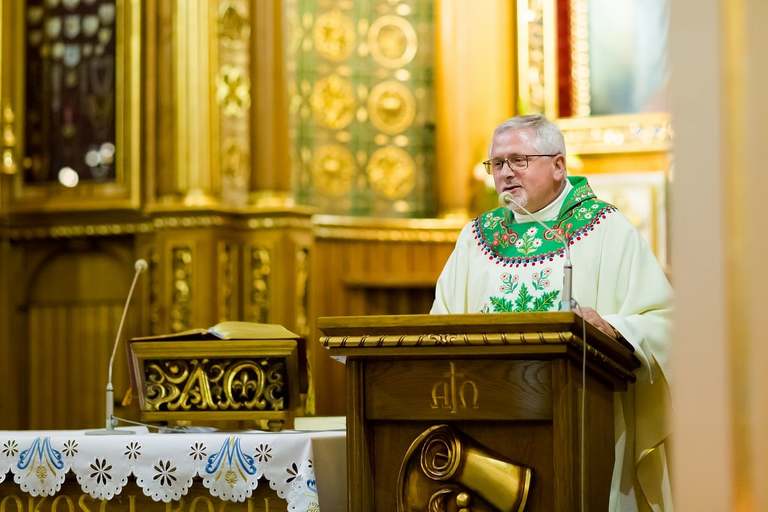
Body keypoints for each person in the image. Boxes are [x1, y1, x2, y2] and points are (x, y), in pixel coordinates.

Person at [431, 114, 672, 511]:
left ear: (558, 165)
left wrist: (612, 328)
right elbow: (441, 324)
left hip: (583, 422)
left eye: (518, 161)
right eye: (497, 164)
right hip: (486, 422)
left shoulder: (606, 229)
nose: (505, 174)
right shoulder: (475, 238)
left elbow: (664, 319)